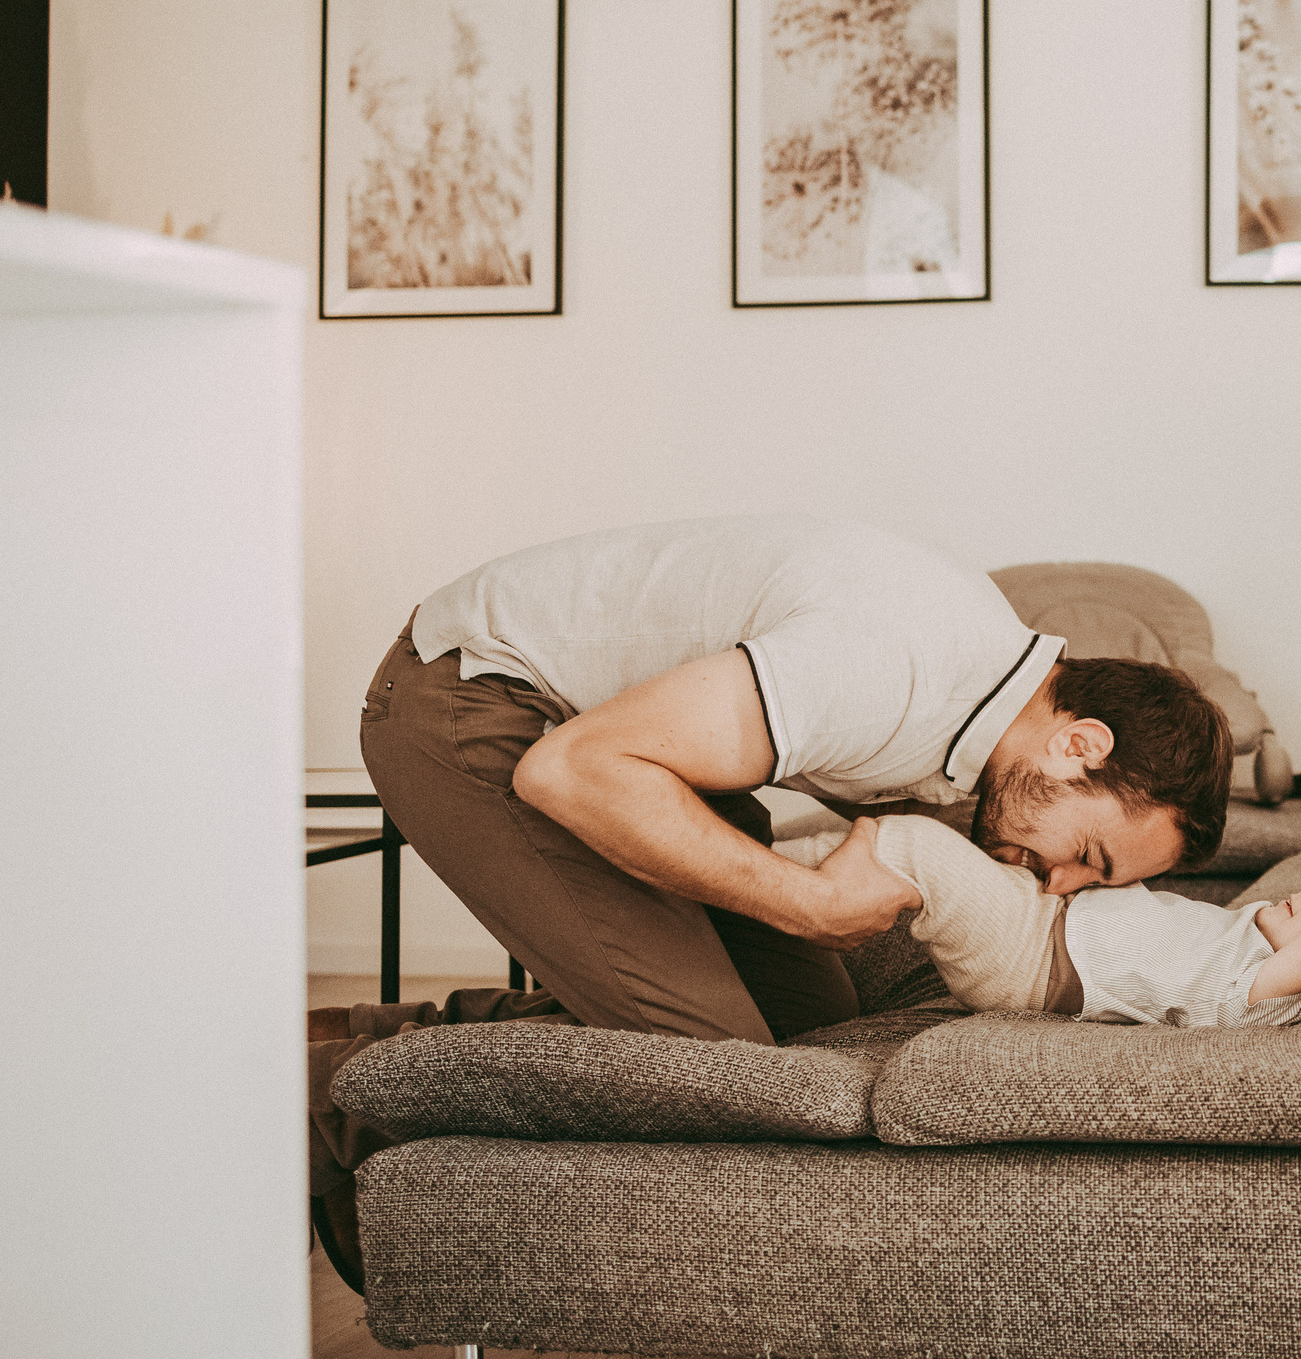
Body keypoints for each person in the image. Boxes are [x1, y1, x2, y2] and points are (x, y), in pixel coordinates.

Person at [309, 512, 1231, 1287]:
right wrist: (806, 906)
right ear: (1080, 746)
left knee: (810, 1022)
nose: (1055, 880)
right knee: (725, 1071)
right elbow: (574, 769)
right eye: (1086, 855)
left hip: (625, 738)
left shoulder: (988, 691)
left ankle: (387, 1044)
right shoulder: (898, 668)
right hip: (484, 701)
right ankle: (324, 1096)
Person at [827, 813, 1301, 1027]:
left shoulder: (1262, 997)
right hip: (1044, 913)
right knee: (932, 846)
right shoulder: (1260, 940)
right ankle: (776, 885)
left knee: (913, 845)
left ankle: (797, 887)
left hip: (1030, 960)